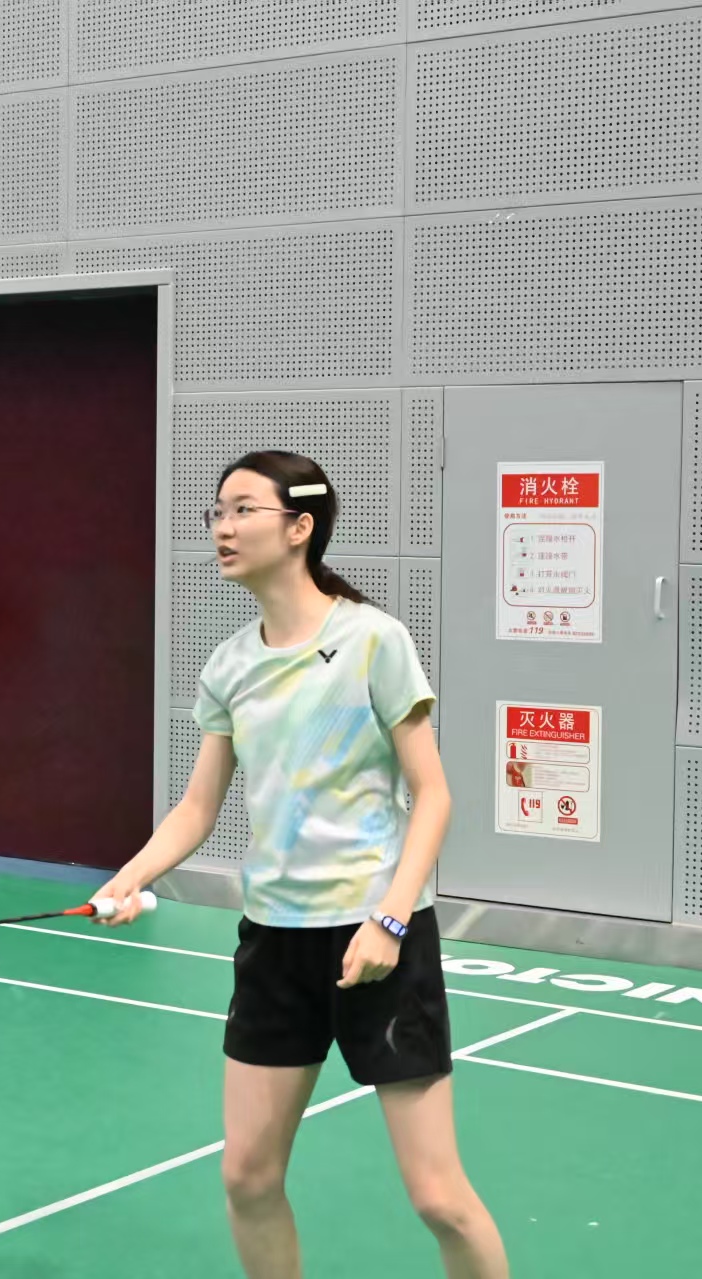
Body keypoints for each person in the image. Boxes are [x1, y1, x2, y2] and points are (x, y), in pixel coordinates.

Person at [96, 450, 509, 1278]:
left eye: (242, 509)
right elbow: (197, 807)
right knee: (247, 1178)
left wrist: (390, 918)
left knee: (437, 1196)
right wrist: (129, 875)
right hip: (275, 944)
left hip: (377, 935)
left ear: (299, 527)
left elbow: (432, 795)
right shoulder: (229, 665)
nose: (221, 527)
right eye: (216, 511)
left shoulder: (371, 640)